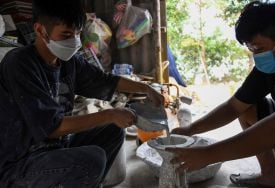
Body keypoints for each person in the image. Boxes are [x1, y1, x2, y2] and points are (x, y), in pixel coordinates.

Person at [166, 1, 275, 188]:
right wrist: (190, 130)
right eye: (252, 51)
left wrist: (208, 155)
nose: (257, 56)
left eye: (259, 49)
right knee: (250, 108)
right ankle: (271, 175)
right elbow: (234, 106)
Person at [0, 0, 164, 187]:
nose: (74, 41)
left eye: (77, 34)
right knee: (92, 160)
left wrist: (146, 88)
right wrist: (110, 114)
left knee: (113, 131)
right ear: (40, 30)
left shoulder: (69, 62)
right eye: (66, 34)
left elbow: (106, 80)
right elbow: (52, 127)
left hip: (54, 147)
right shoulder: (19, 64)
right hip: (20, 162)